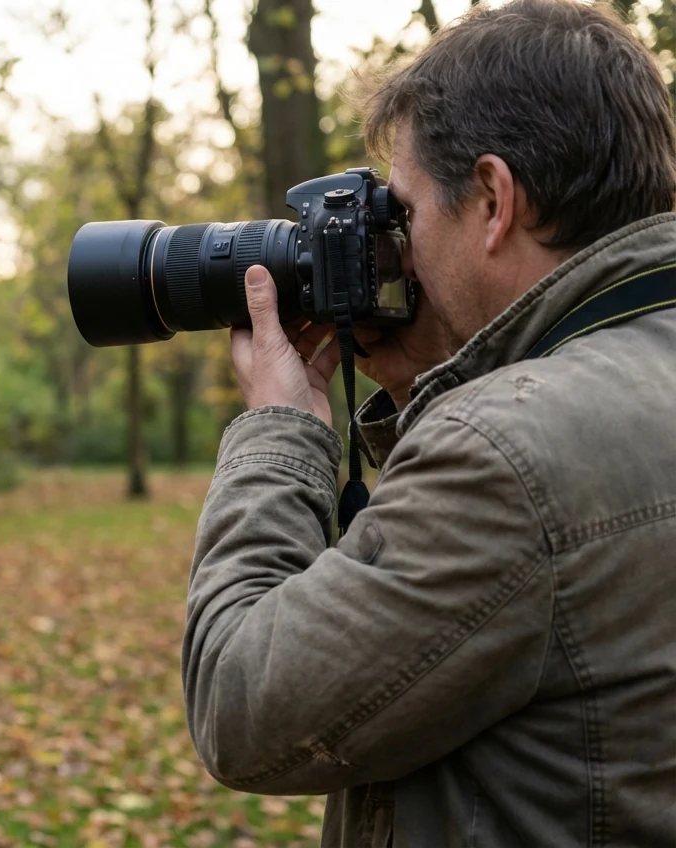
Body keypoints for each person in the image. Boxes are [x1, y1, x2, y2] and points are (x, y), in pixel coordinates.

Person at [180, 1, 676, 845]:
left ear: (492, 198)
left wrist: (280, 431)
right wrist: (426, 381)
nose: (393, 248)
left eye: (403, 214)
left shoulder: (509, 453)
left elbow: (243, 706)